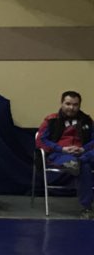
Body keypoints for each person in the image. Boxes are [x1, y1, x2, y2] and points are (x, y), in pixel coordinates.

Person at [36, 90, 93, 218]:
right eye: (68, 104)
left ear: (79, 105)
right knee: (84, 167)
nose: (71, 108)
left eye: (75, 105)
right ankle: (87, 208)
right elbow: (41, 140)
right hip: (60, 154)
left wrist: (83, 149)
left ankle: (78, 162)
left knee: (83, 163)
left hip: (82, 153)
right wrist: (61, 149)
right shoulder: (51, 120)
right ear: (61, 103)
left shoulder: (87, 120)